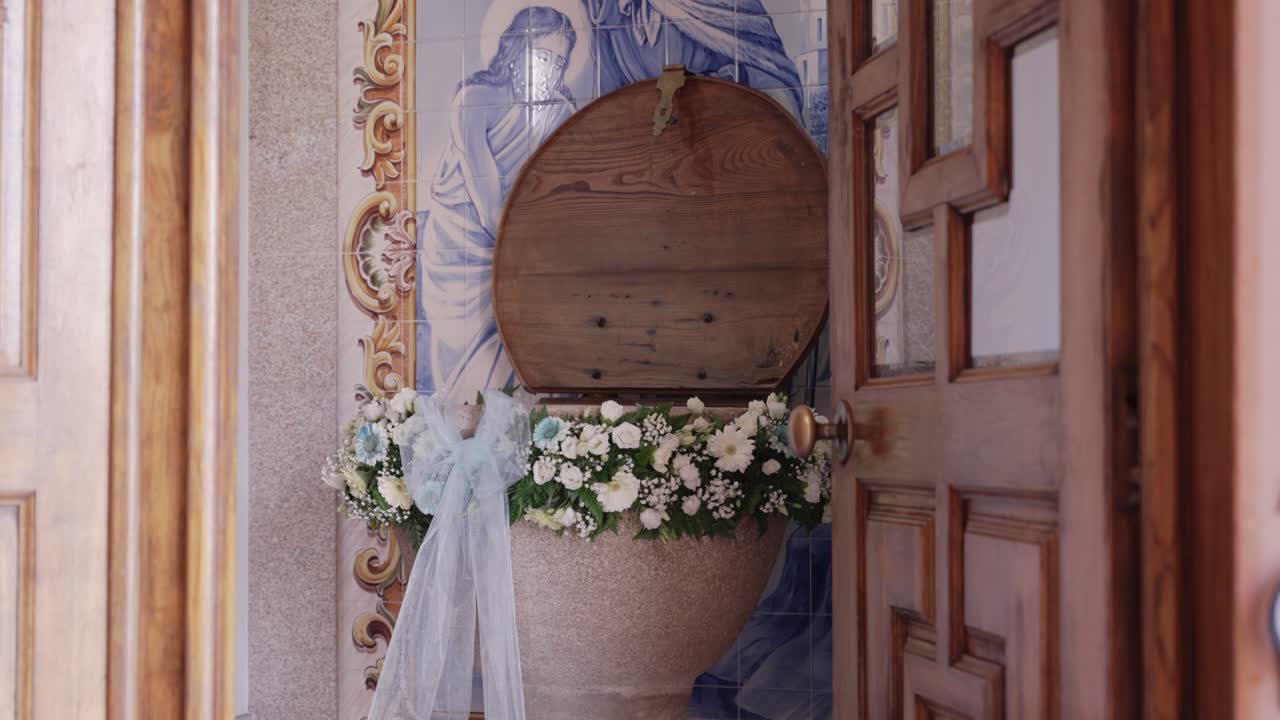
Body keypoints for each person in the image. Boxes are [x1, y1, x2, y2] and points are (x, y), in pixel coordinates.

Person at [417, 6, 578, 394]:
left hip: (522, 243)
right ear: (514, 50)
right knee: (465, 378)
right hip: (460, 250)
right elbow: (487, 203)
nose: (550, 71)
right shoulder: (475, 102)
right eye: (541, 56)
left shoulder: (559, 113)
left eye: (559, 62)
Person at [588, 0, 803, 117]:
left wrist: (725, 81)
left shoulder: (723, 5)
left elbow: (771, 72)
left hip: (726, 143)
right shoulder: (608, 16)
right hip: (655, 164)